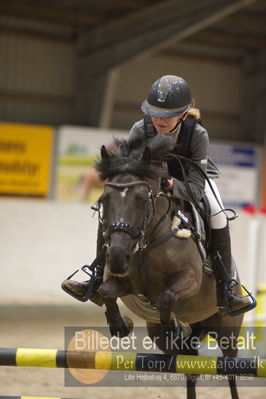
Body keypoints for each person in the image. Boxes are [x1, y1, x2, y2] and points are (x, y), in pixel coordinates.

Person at [62, 75, 251, 314]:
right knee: (115, 209)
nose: (159, 119)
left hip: (190, 179)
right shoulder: (141, 128)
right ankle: (96, 277)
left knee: (217, 213)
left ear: (183, 114)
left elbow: (195, 187)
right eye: (154, 113)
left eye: (167, 115)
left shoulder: (197, 134)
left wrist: (172, 185)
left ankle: (227, 288)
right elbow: (128, 166)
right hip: (150, 179)